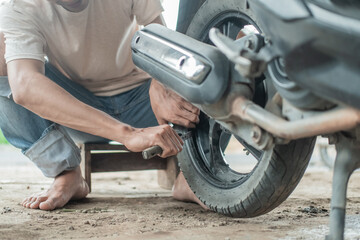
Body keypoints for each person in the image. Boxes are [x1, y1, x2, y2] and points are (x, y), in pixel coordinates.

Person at [0, 0, 205, 210]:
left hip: (147, 102)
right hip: (78, 110)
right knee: (3, 63)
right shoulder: (18, 6)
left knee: (214, 60)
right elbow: (24, 85)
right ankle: (66, 173)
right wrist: (127, 134)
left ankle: (197, 176)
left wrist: (160, 78)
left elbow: (160, 33)